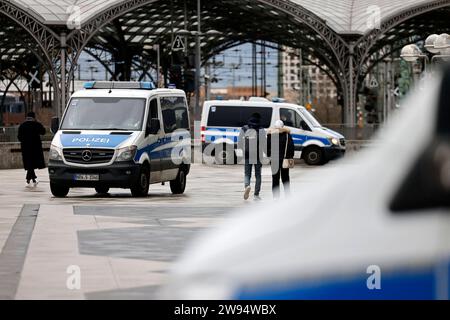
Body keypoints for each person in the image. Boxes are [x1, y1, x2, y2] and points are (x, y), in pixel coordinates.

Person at [238, 113, 267, 201]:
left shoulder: (244, 128)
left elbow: (239, 142)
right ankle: (256, 195)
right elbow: (264, 143)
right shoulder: (261, 130)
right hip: (258, 155)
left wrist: (243, 151)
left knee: (247, 174)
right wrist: (267, 154)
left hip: (247, 154)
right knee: (258, 175)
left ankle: (247, 186)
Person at [267, 120, 295, 199]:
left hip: (274, 160)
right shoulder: (287, 135)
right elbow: (291, 147)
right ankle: (287, 195)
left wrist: (269, 155)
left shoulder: (270, 135)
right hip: (284, 160)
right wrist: (290, 157)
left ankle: (276, 197)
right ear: (283, 127)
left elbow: (266, 147)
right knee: (285, 178)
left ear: (275, 127)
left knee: (275, 178)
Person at [17, 112, 46, 187]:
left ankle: (31, 179)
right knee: (32, 164)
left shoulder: (22, 126)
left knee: (30, 164)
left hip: (26, 149)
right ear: (34, 117)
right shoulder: (37, 125)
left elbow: (19, 137)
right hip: (35, 149)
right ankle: (31, 180)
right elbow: (43, 132)